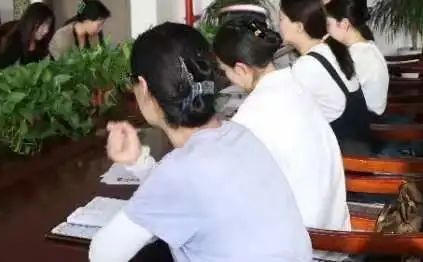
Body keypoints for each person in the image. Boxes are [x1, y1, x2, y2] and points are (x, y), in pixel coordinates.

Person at [89, 23, 312, 262]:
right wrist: (139, 162)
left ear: (143, 87)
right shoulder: (239, 135)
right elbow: (185, 195)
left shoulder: (181, 171)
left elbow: (103, 254)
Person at [213, 20, 350, 231]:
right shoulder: (294, 85)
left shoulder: (252, 115)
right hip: (332, 221)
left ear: (241, 68)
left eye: (225, 71)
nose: (228, 78)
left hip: (307, 236)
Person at [280, 0, 371, 152]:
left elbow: (288, 116)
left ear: (299, 27)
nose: (278, 25)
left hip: (346, 158)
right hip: (358, 148)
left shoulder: (307, 66)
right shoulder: (329, 49)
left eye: (281, 19)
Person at [325, 0, 389, 116]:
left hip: (368, 118)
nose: (326, 30)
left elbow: (335, 93)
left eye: (328, 25)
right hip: (367, 112)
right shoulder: (366, 46)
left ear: (344, 24)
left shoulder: (358, 55)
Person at [0, 2, 55, 68]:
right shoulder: (15, 41)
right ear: (31, 22)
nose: (46, 30)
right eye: (43, 25)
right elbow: (3, 68)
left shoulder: (42, 41)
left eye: (48, 25)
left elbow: (51, 64)